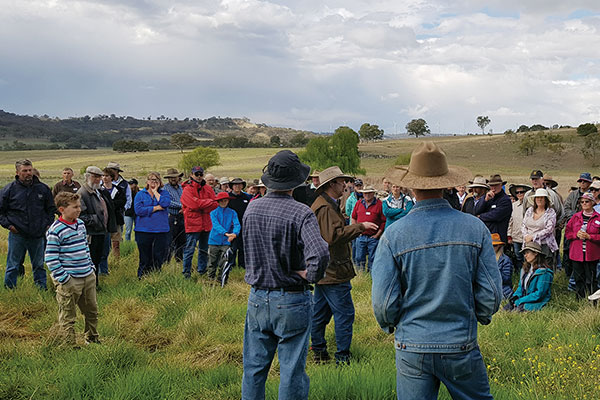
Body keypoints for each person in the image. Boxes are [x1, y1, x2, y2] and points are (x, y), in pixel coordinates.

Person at [372, 142, 501, 400]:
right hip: (460, 341)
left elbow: (383, 303)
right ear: (446, 183)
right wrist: (477, 317)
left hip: (412, 343)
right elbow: (491, 294)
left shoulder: (393, 235)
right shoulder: (474, 229)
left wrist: (395, 325)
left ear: (411, 186)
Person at [241, 150, 329, 400]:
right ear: (296, 182)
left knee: (254, 370)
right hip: (291, 298)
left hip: (257, 296)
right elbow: (321, 254)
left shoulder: (251, 209)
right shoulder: (301, 213)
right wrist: (309, 275)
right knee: (291, 371)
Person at [310, 166, 378, 365]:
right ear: (331, 184)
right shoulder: (324, 207)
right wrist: (360, 227)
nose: (345, 185)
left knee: (320, 314)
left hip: (327, 270)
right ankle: (342, 358)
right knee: (345, 314)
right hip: (333, 271)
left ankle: (320, 352)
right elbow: (332, 236)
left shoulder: (326, 204)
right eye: (341, 182)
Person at [45, 192, 98, 346]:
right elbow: (50, 258)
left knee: (92, 311)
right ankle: (69, 345)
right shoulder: (56, 230)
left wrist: (91, 267)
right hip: (70, 279)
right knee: (68, 314)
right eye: (75, 207)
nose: (79, 209)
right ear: (62, 209)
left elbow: (85, 248)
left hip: (87, 275)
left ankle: (92, 338)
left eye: (79, 206)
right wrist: (64, 279)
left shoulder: (80, 224)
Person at [1, 159, 56, 289]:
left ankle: (41, 289)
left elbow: (50, 209)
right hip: (17, 234)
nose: (28, 173)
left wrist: (47, 225)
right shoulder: (9, 190)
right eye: (24, 171)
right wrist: (9, 226)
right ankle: (10, 289)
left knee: (38, 264)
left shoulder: (43, 189)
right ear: (17, 172)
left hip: (37, 235)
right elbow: (1, 212)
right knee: (13, 265)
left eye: (30, 170)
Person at [78, 166, 117, 287]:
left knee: (98, 259)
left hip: (101, 232)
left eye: (99, 177)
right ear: (87, 177)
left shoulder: (98, 190)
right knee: (91, 261)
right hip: (91, 233)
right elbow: (80, 215)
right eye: (95, 177)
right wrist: (97, 220)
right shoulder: (82, 193)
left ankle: (94, 285)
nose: (98, 179)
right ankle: (90, 287)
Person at [181, 166, 217, 278]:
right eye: (197, 174)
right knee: (189, 250)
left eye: (201, 174)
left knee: (204, 250)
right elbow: (192, 204)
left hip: (206, 223)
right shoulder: (187, 189)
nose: (199, 176)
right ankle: (186, 273)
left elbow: (215, 204)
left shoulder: (207, 188)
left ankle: (202, 271)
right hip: (192, 224)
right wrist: (207, 202)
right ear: (191, 175)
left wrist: (199, 203)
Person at [134, 172, 171, 278]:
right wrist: (155, 208)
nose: (153, 182)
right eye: (151, 180)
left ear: (160, 182)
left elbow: (165, 204)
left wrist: (155, 192)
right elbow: (138, 210)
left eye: (156, 180)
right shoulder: (140, 194)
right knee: (145, 256)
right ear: (147, 181)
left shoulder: (164, 194)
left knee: (158, 256)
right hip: (143, 230)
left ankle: (156, 277)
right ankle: (142, 277)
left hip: (160, 230)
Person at [565, 192, 600, 300]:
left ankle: (592, 299)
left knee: (592, 278)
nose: (584, 203)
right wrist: (576, 235)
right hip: (577, 254)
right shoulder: (575, 217)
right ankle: (579, 298)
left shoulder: (598, 217)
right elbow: (567, 233)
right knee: (578, 277)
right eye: (582, 202)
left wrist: (590, 237)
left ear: (593, 203)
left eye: (587, 201)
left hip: (592, 254)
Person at [504, 241, 553, 312]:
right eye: (524, 253)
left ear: (536, 253)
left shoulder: (544, 272)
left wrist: (520, 300)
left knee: (516, 311)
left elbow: (539, 294)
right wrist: (515, 297)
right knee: (506, 309)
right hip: (525, 299)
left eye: (527, 252)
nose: (525, 255)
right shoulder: (524, 269)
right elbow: (520, 287)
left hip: (537, 302)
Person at [562, 172, 593, 281]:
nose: (582, 183)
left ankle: (585, 279)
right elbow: (566, 208)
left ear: (589, 183)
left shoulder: (592, 195)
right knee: (567, 250)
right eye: (581, 181)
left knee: (586, 252)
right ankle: (568, 275)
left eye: (585, 181)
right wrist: (575, 216)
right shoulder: (573, 194)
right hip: (572, 226)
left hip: (588, 228)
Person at [98, 168, 126, 274]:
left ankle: (116, 262)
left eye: (107, 176)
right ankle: (103, 267)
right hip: (103, 220)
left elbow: (122, 202)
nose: (104, 178)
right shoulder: (99, 190)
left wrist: (109, 205)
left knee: (116, 242)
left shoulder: (118, 190)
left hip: (116, 219)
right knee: (104, 245)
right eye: (103, 176)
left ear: (111, 178)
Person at [351, 186, 386, 272]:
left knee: (373, 258)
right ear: (362, 193)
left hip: (373, 237)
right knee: (359, 257)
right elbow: (353, 217)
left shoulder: (379, 204)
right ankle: (360, 275)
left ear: (373, 193)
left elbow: (383, 221)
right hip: (360, 236)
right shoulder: (358, 203)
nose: (367, 195)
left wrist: (377, 235)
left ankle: (371, 275)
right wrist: (356, 231)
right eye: (365, 193)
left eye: (369, 193)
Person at [207, 192, 240, 282]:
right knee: (212, 261)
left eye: (225, 200)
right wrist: (226, 233)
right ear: (218, 202)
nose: (223, 202)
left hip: (227, 241)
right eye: (221, 201)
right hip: (214, 240)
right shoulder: (213, 213)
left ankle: (221, 279)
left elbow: (237, 224)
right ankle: (210, 278)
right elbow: (216, 225)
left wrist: (235, 233)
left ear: (228, 201)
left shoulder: (232, 213)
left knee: (224, 261)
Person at [522, 188, 558, 268]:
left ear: (546, 200)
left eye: (542, 197)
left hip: (544, 244)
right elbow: (524, 225)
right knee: (529, 266)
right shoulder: (529, 211)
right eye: (537, 197)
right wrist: (526, 236)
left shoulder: (550, 212)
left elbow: (549, 229)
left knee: (545, 267)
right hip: (529, 244)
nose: (539, 199)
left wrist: (533, 237)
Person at [474, 174, 512, 243]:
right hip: (485, 236)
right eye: (492, 186)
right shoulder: (487, 197)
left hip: (498, 238)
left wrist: (480, 216)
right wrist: (485, 200)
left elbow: (496, 216)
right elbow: (476, 210)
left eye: (496, 185)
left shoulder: (505, 200)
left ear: (501, 185)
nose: (493, 188)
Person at [228, 178, 252, 269]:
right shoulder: (228, 197)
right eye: (235, 184)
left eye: (239, 184)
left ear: (242, 186)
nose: (237, 186)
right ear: (232, 186)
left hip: (244, 225)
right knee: (233, 246)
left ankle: (242, 265)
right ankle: (231, 265)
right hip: (232, 226)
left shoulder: (247, 197)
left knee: (243, 247)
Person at [163, 168, 185, 263]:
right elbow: (168, 202)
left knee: (182, 241)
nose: (173, 179)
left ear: (178, 177)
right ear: (168, 178)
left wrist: (185, 206)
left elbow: (185, 199)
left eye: (174, 177)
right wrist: (182, 206)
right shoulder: (165, 189)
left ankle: (179, 261)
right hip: (172, 217)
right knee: (170, 241)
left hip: (182, 217)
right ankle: (166, 261)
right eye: (170, 178)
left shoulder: (181, 188)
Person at [507, 183, 531, 272]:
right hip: (516, 235)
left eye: (522, 192)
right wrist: (509, 235)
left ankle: (527, 272)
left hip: (527, 237)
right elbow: (510, 221)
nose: (520, 194)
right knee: (517, 255)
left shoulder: (530, 205)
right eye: (517, 193)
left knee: (527, 256)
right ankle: (519, 272)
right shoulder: (513, 205)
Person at [492, 233, 513, 299]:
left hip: (503, 289)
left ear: (499, 246)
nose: (492, 247)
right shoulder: (485, 258)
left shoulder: (506, 260)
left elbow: (506, 279)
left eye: (495, 245)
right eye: (491, 245)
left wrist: (493, 272)